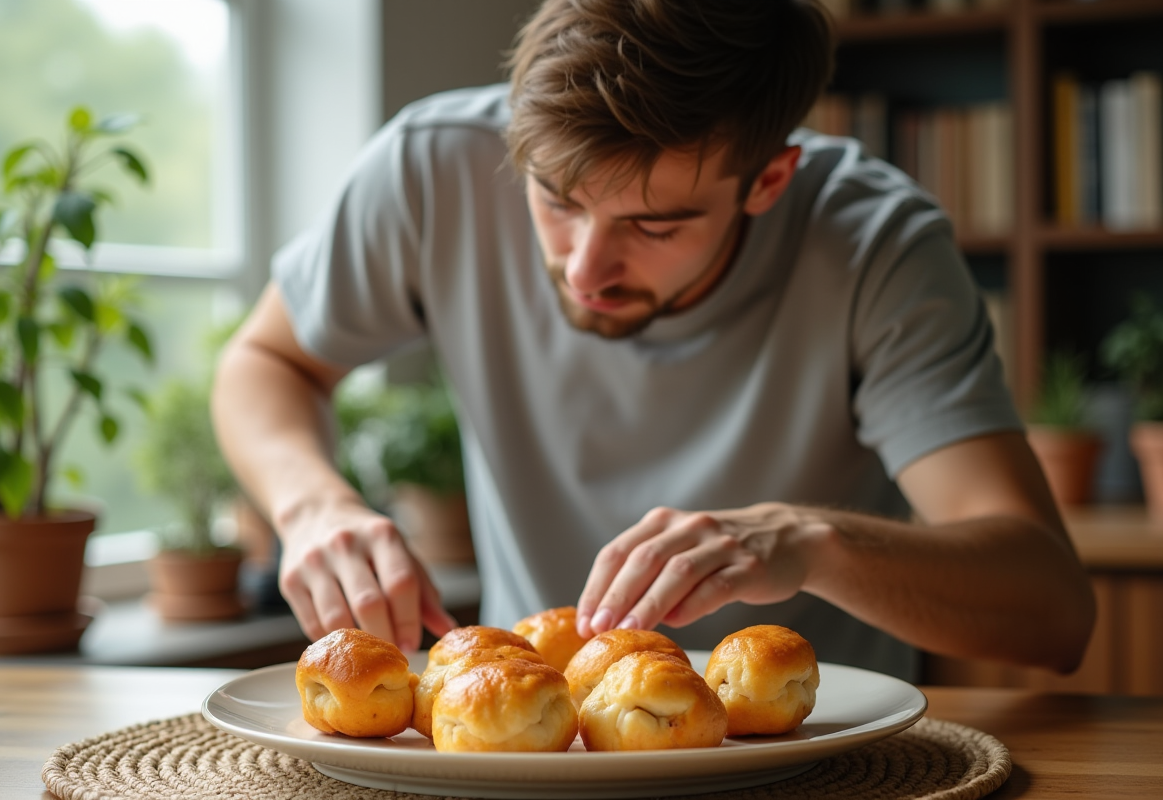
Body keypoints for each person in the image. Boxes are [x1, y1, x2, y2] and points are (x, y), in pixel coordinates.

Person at [212, 0, 1095, 680]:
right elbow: (268, 361)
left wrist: (810, 542)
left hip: (806, 764)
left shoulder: (876, 248)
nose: (586, 268)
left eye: (656, 225)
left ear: (770, 180)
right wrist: (310, 505)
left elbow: (1052, 612)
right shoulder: (430, 167)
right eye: (556, 200)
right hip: (537, 746)